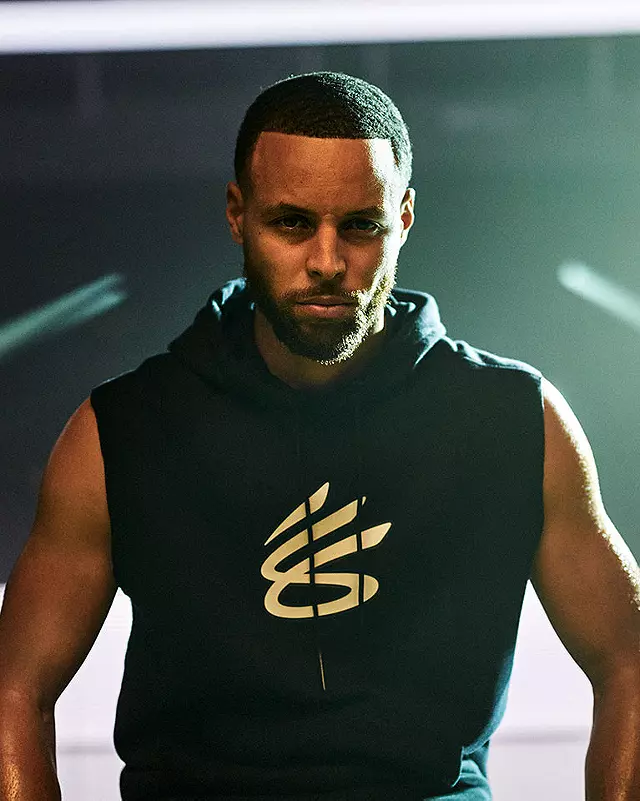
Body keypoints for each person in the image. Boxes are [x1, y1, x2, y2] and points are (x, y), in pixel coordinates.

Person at [0, 71, 639, 801]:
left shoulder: (515, 418)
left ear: (403, 218)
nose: (328, 262)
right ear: (238, 215)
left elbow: (629, 660)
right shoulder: (122, 430)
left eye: (361, 225)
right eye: (293, 223)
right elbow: (16, 688)